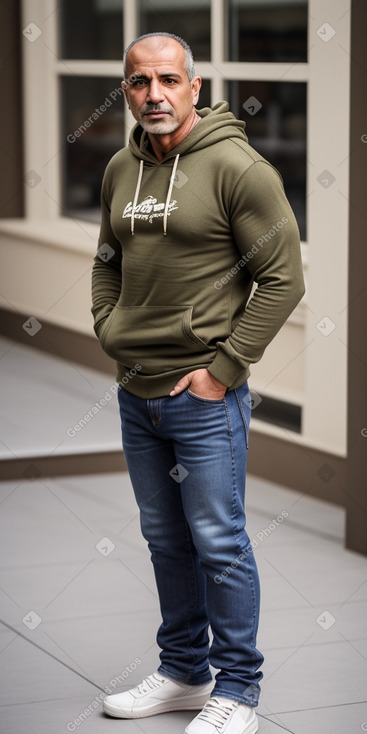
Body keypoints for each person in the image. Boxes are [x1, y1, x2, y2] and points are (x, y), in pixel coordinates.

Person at [91, 31, 305, 734]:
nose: (152, 94)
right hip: (135, 391)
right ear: (124, 89)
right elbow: (107, 258)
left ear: (194, 86)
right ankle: (184, 671)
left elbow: (282, 279)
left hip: (202, 398)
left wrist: (223, 371)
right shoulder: (121, 167)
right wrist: (107, 326)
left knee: (217, 539)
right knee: (165, 538)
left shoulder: (237, 168)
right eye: (137, 82)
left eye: (167, 80)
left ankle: (237, 691)